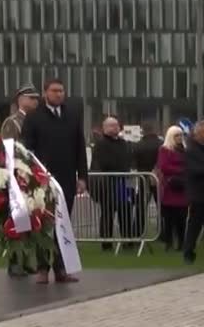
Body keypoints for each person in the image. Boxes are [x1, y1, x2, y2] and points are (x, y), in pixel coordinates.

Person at [21, 78, 88, 284]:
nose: (59, 94)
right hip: (42, 181)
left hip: (67, 179)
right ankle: (42, 268)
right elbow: (27, 150)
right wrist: (29, 176)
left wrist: (82, 176)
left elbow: (80, 148)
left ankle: (61, 269)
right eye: (54, 90)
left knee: (63, 224)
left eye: (61, 90)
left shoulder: (72, 115)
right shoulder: (34, 117)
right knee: (43, 225)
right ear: (45, 93)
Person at [1, 85, 40, 277]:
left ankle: (26, 260)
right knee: (17, 221)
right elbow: (9, 149)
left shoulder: (37, 120)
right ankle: (15, 262)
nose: (35, 101)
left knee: (31, 221)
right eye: (31, 98)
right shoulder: (12, 122)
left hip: (33, 177)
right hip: (17, 177)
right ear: (20, 100)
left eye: (36, 98)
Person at [89, 116, 135, 250]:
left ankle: (128, 240)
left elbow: (129, 159)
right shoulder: (101, 144)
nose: (115, 127)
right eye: (111, 125)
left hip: (123, 182)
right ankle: (106, 242)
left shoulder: (123, 143)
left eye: (116, 125)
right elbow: (102, 163)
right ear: (104, 128)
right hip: (108, 184)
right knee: (108, 213)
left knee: (125, 211)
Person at [181, 120, 204, 264]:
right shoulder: (191, 151)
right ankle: (188, 252)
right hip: (199, 194)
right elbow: (195, 170)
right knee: (195, 225)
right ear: (198, 134)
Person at [156, 126, 188, 251]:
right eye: (177, 135)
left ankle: (181, 243)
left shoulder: (185, 150)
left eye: (181, 135)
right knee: (169, 219)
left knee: (182, 218)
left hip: (182, 188)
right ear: (171, 137)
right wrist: (181, 170)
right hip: (170, 188)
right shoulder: (165, 150)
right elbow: (163, 166)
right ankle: (168, 243)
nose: (180, 138)